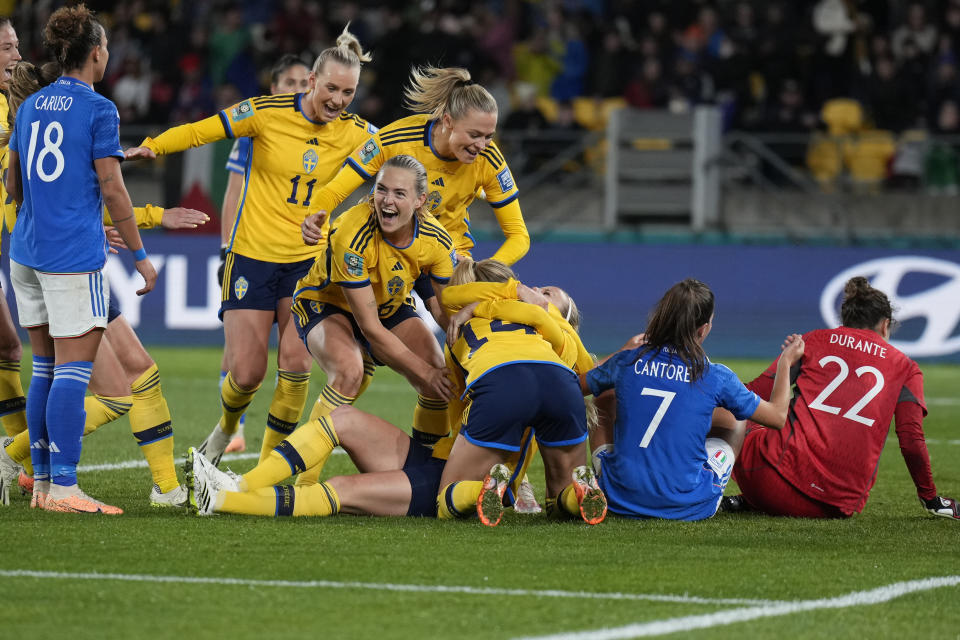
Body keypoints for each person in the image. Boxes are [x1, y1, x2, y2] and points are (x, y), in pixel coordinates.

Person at [125, 26, 377, 466]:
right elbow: (202, 131)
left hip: (307, 263)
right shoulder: (265, 112)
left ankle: (268, 468)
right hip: (252, 256)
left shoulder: (360, 134)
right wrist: (154, 146)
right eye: (332, 88)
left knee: (296, 366)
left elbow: (407, 157)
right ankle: (225, 430)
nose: (338, 100)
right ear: (312, 81)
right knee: (246, 373)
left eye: (349, 92)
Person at [184, 261, 596, 524]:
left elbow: (460, 301)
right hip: (446, 454)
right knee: (341, 419)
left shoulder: (495, 333)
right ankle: (237, 485)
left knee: (353, 492)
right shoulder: (542, 345)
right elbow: (584, 379)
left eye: (547, 297)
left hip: (457, 471)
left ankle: (222, 500)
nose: (536, 295)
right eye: (537, 290)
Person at [5, 4, 157, 513]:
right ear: (96, 52)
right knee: (72, 371)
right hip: (71, 255)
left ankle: (45, 485)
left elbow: (13, 185)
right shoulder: (98, 110)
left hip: (25, 252)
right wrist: (140, 257)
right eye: (107, 47)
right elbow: (113, 190)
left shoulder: (27, 106)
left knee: (44, 367)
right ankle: (65, 488)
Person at [725, 277, 959, 520]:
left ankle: (701, 491)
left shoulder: (812, 341)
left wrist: (707, 383)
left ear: (845, 320)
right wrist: (930, 498)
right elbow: (911, 440)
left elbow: (752, 393)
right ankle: (750, 501)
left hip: (769, 482)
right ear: (885, 325)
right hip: (835, 506)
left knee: (729, 412)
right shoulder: (906, 368)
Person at [581, 279, 804, 521]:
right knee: (734, 417)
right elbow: (777, 417)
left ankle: (598, 478)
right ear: (703, 329)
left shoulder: (627, 361)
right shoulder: (716, 376)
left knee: (603, 394)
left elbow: (575, 387)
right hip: (689, 506)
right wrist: (785, 362)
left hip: (619, 498)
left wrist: (622, 351)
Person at [289, 153, 454, 461]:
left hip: (388, 305)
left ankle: (429, 469)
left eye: (399, 193)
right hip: (325, 302)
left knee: (439, 379)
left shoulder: (437, 241)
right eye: (381, 189)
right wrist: (424, 373)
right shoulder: (352, 232)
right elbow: (371, 329)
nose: (386, 201)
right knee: (350, 371)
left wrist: (474, 356)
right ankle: (304, 485)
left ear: (421, 201)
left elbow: (445, 311)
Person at [217, 54, 311, 455]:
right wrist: (226, 247)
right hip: (254, 251)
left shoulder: (326, 134)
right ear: (274, 88)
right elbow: (234, 192)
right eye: (290, 82)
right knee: (244, 358)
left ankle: (275, 458)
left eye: (304, 82)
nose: (298, 89)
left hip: (303, 256)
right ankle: (231, 426)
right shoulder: (255, 130)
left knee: (296, 356)